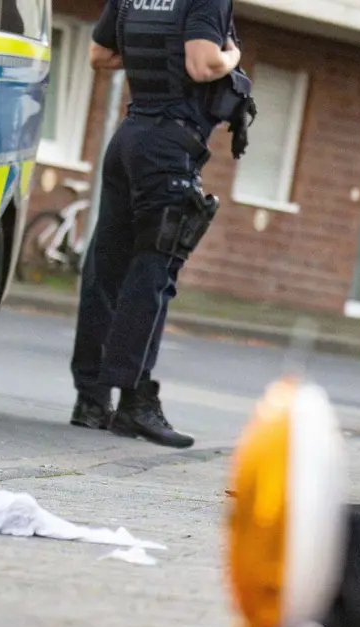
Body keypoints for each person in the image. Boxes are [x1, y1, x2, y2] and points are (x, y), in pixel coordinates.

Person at [69, 0, 248, 448]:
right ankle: (135, 401)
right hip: (169, 145)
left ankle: (91, 398)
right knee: (154, 270)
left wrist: (157, 56)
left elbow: (100, 55)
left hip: (128, 139)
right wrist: (233, 58)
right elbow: (203, 62)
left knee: (106, 266)